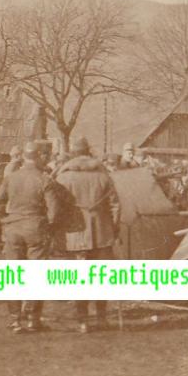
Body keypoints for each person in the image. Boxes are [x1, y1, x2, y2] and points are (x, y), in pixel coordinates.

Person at [0, 142, 60, 333]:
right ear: (38, 157)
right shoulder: (45, 179)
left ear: (23, 157)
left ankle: (15, 319)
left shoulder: (11, 178)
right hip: (36, 228)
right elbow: (54, 213)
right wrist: (46, 226)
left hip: (13, 229)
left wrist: (6, 221)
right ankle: (32, 319)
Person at [55, 136, 120, 333]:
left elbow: (55, 207)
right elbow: (115, 205)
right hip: (102, 232)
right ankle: (101, 317)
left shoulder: (63, 177)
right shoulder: (103, 176)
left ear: (73, 154)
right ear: (88, 152)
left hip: (74, 234)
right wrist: (113, 228)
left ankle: (82, 320)